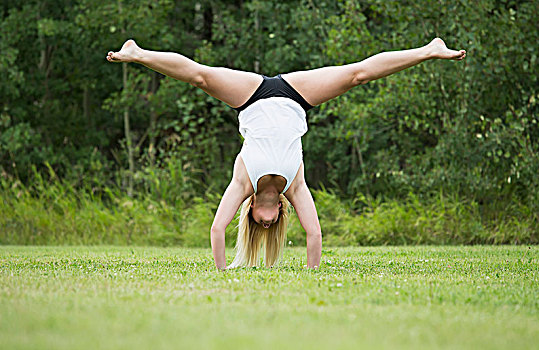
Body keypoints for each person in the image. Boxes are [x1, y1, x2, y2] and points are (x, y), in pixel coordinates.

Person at [106, 37, 466, 270]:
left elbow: (217, 230)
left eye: (261, 224)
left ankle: (427, 49)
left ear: (253, 213)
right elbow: (315, 235)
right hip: (297, 97)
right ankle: (428, 50)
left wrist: (218, 275)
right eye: (273, 223)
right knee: (357, 76)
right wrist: (312, 275)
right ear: (281, 210)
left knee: (200, 77)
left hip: (250, 96)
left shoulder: (243, 181)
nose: (267, 223)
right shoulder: (295, 186)